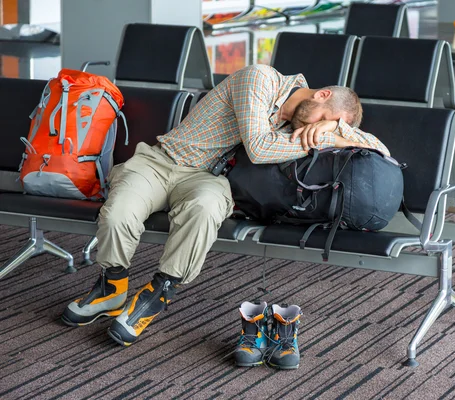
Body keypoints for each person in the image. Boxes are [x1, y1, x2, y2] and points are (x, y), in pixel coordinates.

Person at [60, 64, 390, 347]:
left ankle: (157, 294)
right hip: (160, 162)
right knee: (119, 213)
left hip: (210, 180)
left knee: (205, 210)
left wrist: (332, 126)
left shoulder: (297, 127)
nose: (311, 132)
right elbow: (260, 149)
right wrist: (330, 136)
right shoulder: (261, 79)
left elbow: (381, 152)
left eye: (322, 127)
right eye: (323, 119)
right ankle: (111, 287)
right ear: (321, 95)